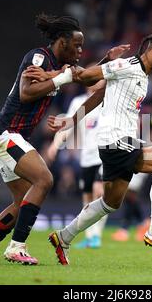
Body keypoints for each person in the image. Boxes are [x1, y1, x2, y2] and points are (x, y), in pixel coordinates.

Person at [0, 14, 129, 265]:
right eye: (77, 44)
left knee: (21, 202)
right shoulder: (38, 57)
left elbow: (86, 78)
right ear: (62, 42)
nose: (80, 50)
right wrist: (61, 76)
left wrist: (106, 60)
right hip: (6, 133)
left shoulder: (56, 65)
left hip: (9, 136)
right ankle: (16, 247)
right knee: (44, 179)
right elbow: (27, 92)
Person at [47, 32, 152, 265]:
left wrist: (72, 121)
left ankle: (63, 237)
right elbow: (87, 78)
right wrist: (54, 78)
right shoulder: (125, 65)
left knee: (111, 202)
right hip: (118, 140)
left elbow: (99, 94)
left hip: (112, 142)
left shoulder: (141, 75)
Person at [46, 78, 107, 249]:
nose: (96, 81)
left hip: (105, 155)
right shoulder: (78, 102)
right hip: (86, 156)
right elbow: (67, 125)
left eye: (100, 78)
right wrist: (54, 145)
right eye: (93, 78)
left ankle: (96, 236)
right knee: (87, 197)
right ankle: (90, 236)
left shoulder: (108, 101)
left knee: (99, 191)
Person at [111, 173, 150, 242]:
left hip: (138, 167)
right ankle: (143, 224)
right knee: (127, 195)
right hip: (130, 166)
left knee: (129, 193)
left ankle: (125, 229)